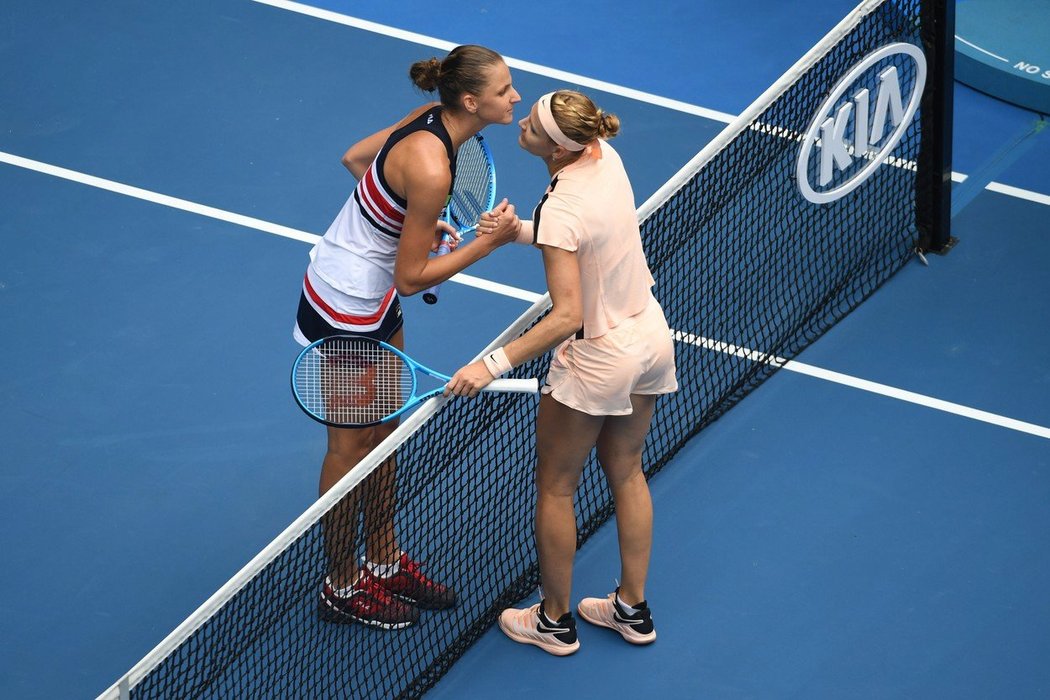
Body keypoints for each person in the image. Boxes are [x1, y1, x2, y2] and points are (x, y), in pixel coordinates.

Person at [295, 45, 522, 630]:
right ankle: (342, 585)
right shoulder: (431, 166)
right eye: (504, 91)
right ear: (471, 101)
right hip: (344, 306)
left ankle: (385, 558)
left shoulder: (431, 128)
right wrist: (483, 244)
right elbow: (413, 274)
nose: (514, 98)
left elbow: (356, 160)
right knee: (350, 449)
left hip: (377, 297)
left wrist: (407, 221)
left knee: (386, 427)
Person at [446, 90, 678, 654]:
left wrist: (490, 363)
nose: (520, 120)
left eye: (531, 124)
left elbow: (568, 315)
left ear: (554, 149)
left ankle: (552, 621)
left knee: (555, 486)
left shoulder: (562, 207)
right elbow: (579, 236)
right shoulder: (605, 156)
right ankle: (631, 608)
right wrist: (515, 232)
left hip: (597, 355)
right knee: (626, 471)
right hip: (649, 334)